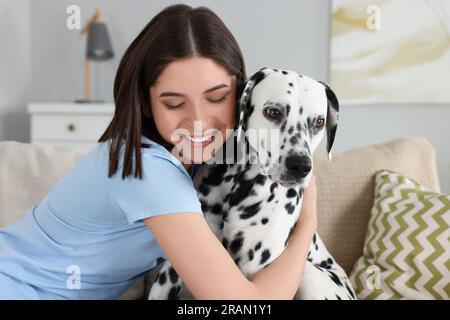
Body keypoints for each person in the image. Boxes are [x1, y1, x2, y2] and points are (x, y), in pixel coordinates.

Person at [0, 4, 317, 299]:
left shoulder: (204, 158)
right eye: (174, 103)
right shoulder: (148, 170)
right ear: (146, 103)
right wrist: (308, 223)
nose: (197, 122)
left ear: (241, 93)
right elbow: (245, 302)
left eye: (217, 97)